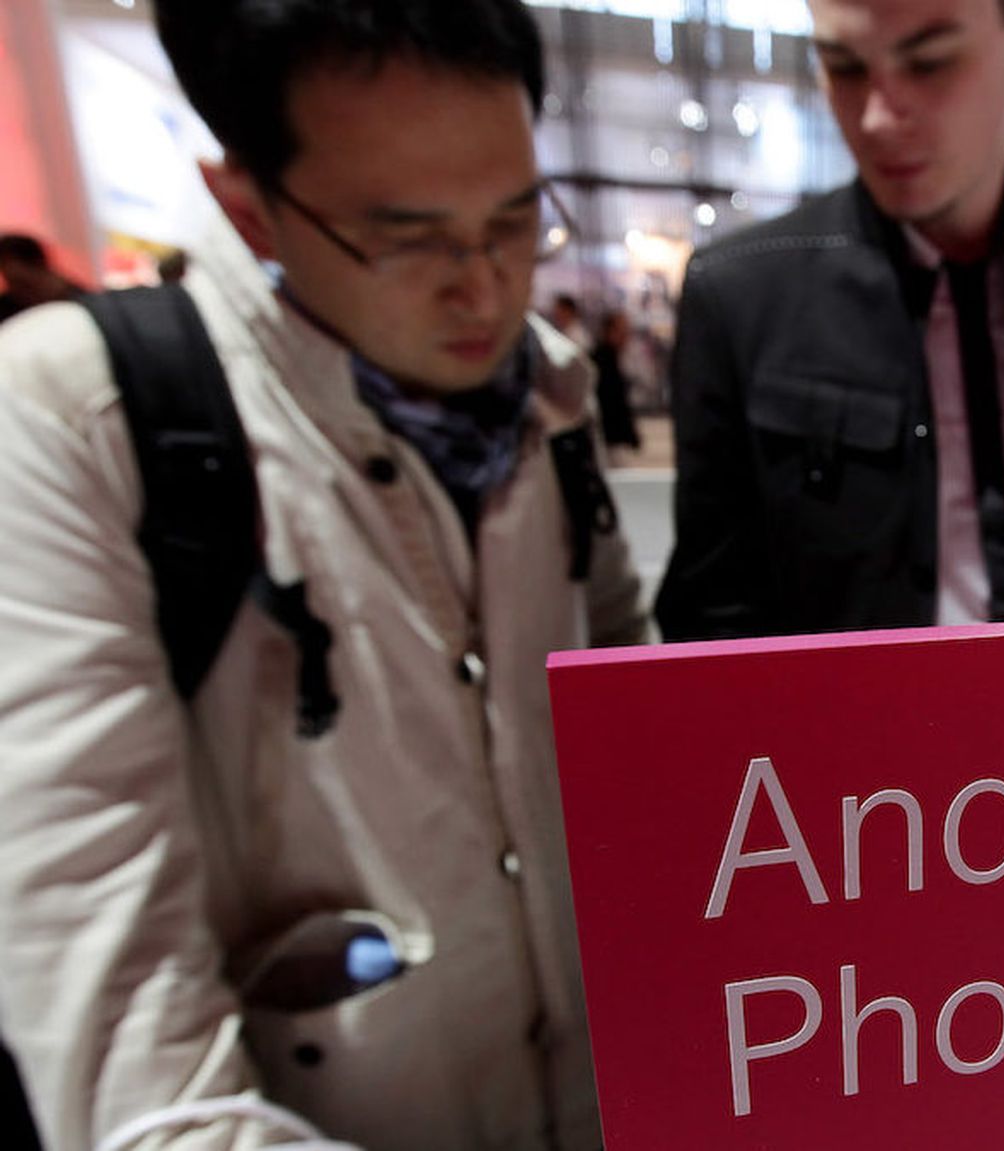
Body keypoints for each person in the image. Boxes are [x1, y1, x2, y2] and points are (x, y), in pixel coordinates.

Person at [0, 2, 644, 1148]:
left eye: (512, 221)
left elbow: (633, 744)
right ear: (247, 207)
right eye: (406, 237)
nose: (483, 289)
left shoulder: (552, 398)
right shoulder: (80, 421)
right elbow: (125, 1047)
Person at [655, 0, 1004, 639]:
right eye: (843, 66)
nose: (877, 117)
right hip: (860, 732)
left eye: (930, 63)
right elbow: (710, 616)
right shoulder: (740, 298)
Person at [592, 308, 643, 459]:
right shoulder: (603, 361)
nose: (627, 335)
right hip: (610, 440)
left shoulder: (613, 358)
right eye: (623, 330)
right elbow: (613, 404)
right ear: (611, 331)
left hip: (612, 439)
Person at [0, 233, 76, 323]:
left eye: (22, 283)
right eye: (11, 282)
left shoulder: (81, 303)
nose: (20, 292)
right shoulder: (6, 308)